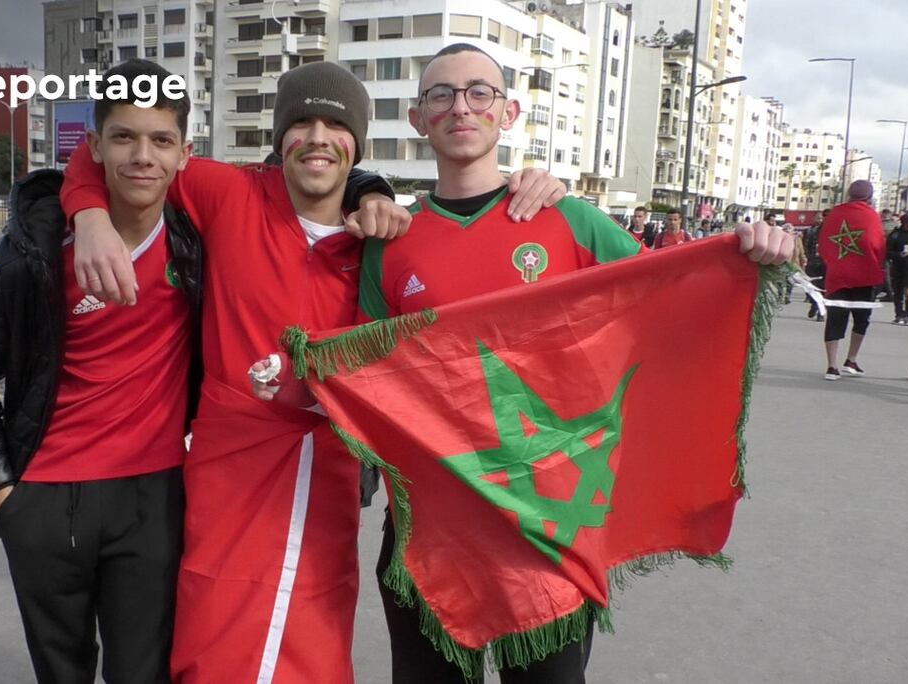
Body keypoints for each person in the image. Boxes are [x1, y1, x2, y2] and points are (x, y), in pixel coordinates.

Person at [61, 60, 569, 683]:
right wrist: (88, 216)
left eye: (336, 126)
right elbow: (122, 151)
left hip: (329, 471)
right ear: (280, 139)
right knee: (215, 632)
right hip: (231, 470)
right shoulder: (230, 193)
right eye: (301, 124)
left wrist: (534, 189)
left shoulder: (381, 236)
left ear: (358, 144)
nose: (318, 138)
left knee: (316, 635)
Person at [315, 43, 791, 684]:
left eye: (479, 92)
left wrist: (755, 254)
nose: (462, 107)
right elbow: (370, 379)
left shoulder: (568, 219)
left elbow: (674, 294)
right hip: (430, 533)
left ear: (508, 112)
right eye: (442, 95)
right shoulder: (391, 241)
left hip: (547, 537)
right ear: (418, 117)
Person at [0, 59, 200, 683]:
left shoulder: (195, 241)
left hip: (153, 497)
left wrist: (372, 190)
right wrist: (3, 494)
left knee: (144, 674)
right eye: (124, 137)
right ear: (95, 146)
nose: (143, 156)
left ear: (185, 153)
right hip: (45, 499)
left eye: (161, 140)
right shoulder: (33, 251)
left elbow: (309, 175)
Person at [818, 180, 886, 381]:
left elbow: (823, 244)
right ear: (869, 196)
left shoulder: (835, 214)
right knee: (862, 319)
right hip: (864, 275)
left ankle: (832, 366)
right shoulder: (871, 215)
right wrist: (877, 266)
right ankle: (851, 359)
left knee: (835, 319)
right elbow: (877, 244)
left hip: (837, 275)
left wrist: (832, 262)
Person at [886, 213, 908, 325]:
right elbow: (888, 252)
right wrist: (899, 255)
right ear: (905, 222)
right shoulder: (895, 235)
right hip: (898, 267)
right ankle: (899, 314)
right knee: (898, 292)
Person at [804, 209, 828, 321]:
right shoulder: (812, 231)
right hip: (814, 263)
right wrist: (810, 258)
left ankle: (820, 312)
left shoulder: (835, 232)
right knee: (814, 287)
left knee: (824, 289)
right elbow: (807, 246)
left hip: (827, 264)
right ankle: (815, 304)